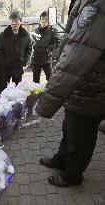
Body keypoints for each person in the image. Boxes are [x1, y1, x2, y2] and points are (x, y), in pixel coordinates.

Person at [36, 0, 105, 187]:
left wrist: (46, 102)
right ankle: (62, 159)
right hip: (81, 83)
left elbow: (78, 53)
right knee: (70, 127)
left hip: (90, 84)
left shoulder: (97, 4)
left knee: (81, 134)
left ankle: (73, 175)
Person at [0, 10, 32, 91]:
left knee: (17, 91)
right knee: (4, 91)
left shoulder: (26, 35)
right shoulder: (2, 36)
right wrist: (4, 63)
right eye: (12, 20)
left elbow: (28, 49)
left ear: (20, 21)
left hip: (18, 68)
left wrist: (24, 62)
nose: (14, 23)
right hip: (6, 69)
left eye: (16, 20)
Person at [31, 11, 59, 83]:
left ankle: (49, 93)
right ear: (40, 20)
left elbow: (56, 43)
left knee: (50, 79)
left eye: (46, 19)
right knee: (35, 81)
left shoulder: (53, 30)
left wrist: (48, 48)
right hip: (36, 60)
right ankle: (36, 93)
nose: (44, 21)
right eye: (42, 19)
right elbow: (30, 44)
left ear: (48, 21)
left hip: (47, 59)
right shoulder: (35, 31)